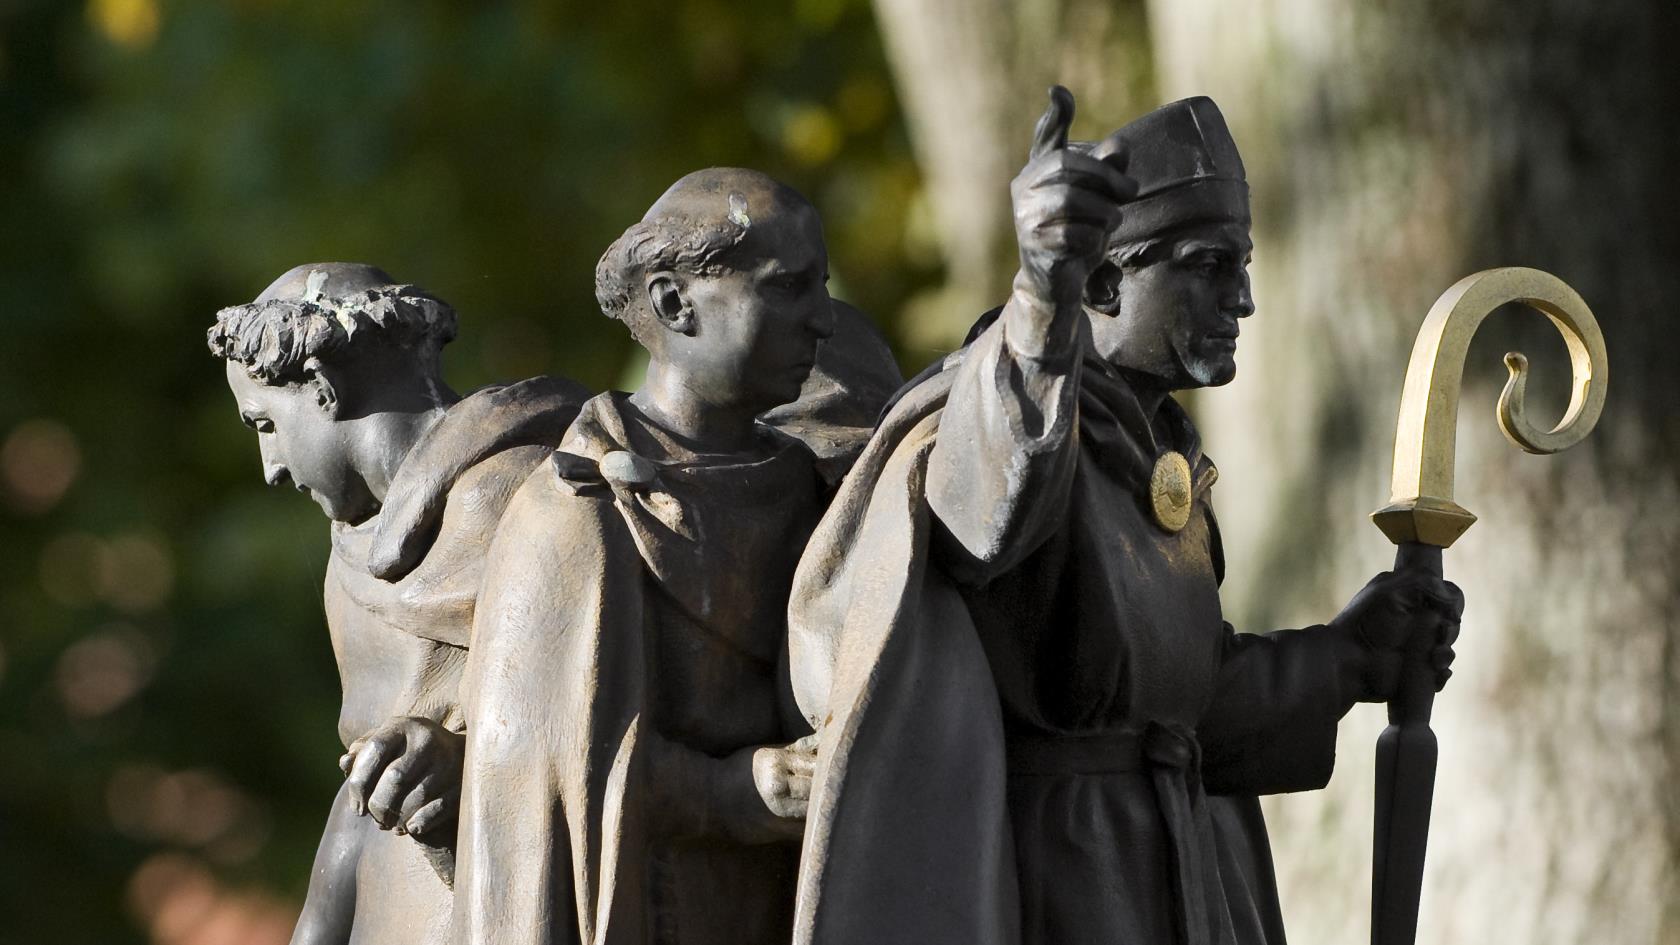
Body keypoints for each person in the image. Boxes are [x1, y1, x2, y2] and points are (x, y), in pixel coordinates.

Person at [786, 89, 1464, 945]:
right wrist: (1040, 299)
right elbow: (985, 506)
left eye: (1242, 266)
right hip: (1064, 885)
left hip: (1187, 874)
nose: (1243, 300)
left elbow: (1181, 709)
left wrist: (1345, 656)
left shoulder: (1159, 446)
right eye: (1209, 266)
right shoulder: (1010, 414)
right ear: (1104, 279)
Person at [452, 168, 901, 945]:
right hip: (652, 909)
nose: (825, 320)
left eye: (821, 286)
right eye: (789, 287)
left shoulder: (815, 493)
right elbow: (541, 777)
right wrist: (732, 791)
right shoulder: (573, 513)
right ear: (673, 303)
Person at [209, 263, 589, 945]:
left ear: (321, 388)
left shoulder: (531, 503)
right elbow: (359, 799)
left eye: (266, 424)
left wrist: (468, 765)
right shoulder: (351, 552)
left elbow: (617, 730)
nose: (270, 466)